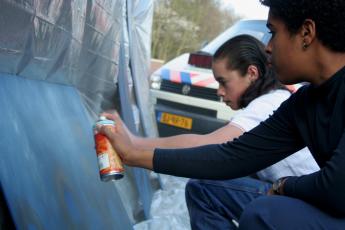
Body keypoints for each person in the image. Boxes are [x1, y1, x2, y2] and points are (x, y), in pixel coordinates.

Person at [98, 0, 345, 228]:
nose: (268, 48)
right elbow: (232, 156)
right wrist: (133, 154)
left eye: (273, 32)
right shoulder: (303, 104)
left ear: (306, 33)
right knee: (208, 189)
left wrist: (284, 186)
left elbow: (336, 187)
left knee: (265, 212)